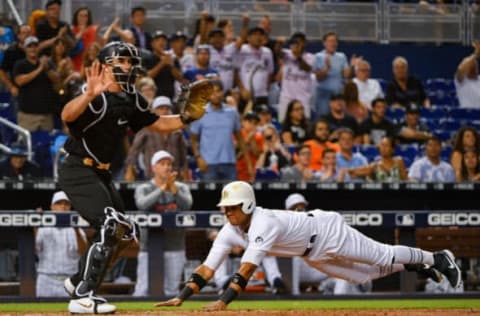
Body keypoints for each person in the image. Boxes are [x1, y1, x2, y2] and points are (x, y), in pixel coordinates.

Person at [58, 41, 208, 314]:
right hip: (77, 167)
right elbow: (67, 116)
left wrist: (187, 117)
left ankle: (78, 281)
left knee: (125, 232)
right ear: (104, 66)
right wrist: (89, 95)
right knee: (110, 223)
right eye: (122, 61)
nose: (128, 67)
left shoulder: (132, 99)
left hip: (101, 171)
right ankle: (82, 296)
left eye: (130, 62)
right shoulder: (95, 95)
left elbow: (159, 124)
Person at [155, 181, 461, 311]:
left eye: (232, 207)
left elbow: (247, 268)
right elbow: (208, 268)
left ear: (247, 205)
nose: (227, 212)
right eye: (226, 208)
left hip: (326, 231)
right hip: (311, 253)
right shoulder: (230, 230)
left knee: (381, 254)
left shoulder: (264, 222)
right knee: (362, 277)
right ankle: (417, 266)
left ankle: (436, 258)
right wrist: (181, 297)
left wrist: (224, 301)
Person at [133, 150, 192, 297]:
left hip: (175, 245)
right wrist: (162, 189)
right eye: (162, 164)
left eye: (169, 164)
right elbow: (142, 204)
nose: (167, 167)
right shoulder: (144, 188)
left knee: (172, 290)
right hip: (149, 247)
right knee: (143, 289)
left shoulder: (181, 187)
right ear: (154, 168)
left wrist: (174, 190)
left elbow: (187, 205)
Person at [190, 80, 250, 181]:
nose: (216, 95)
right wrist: (198, 158)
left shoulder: (232, 112)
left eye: (218, 91)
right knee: (210, 197)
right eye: (212, 92)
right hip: (208, 165)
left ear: (223, 92)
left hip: (229, 163)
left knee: (231, 196)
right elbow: (193, 139)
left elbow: (240, 140)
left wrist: (249, 164)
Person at [124, 96, 189, 181]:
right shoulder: (146, 129)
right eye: (161, 108)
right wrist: (129, 169)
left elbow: (183, 155)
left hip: (174, 176)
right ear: (154, 110)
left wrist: (185, 171)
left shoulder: (177, 131)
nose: (164, 111)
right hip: (152, 176)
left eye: (167, 108)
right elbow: (134, 151)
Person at [36, 191, 87, 297]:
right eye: (59, 203)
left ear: (70, 207)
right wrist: (36, 224)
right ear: (52, 207)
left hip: (70, 280)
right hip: (46, 279)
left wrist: (76, 229)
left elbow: (83, 252)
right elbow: (35, 249)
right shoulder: (43, 228)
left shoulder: (77, 229)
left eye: (66, 204)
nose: (63, 207)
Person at [13, 35, 60, 131]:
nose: (33, 49)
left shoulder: (47, 63)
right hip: (27, 116)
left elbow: (57, 80)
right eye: (29, 46)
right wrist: (40, 69)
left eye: (35, 46)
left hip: (46, 115)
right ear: (25, 49)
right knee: (27, 144)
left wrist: (46, 69)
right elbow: (20, 81)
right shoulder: (20, 64)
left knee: (47, 143)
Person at [313, 32, 352, 118]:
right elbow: (317, 78)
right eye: (330, 41)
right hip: (323, 94)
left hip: (338, 94)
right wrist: (327, 68)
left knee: (340, 118)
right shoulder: (318, 56)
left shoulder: (342, 56)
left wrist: (352, 66)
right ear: (324, 43)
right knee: (323, 119)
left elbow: (346, 76)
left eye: (335, 41)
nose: (333, 44)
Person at [277, 32, 315, 122]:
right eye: (295, 42)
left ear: (304, 43)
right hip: (286, 97)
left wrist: (298, 56)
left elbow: (306, 68)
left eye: (299, 42)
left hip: (303, 98)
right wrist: (279, 44)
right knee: (282, 122)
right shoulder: (287, 54)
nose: (297, 45)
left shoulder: (310, 57)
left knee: (305, 123)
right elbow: (277, 52)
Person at [71, 6, 98, 72]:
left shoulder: (92, 30)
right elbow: (70, 46)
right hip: (74, 65)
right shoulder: (71, 29)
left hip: (89, 65)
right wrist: (81, 33)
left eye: (85, 16)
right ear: (76, 17)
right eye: (81, 16)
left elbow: (96, 48)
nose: (83, 18)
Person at [454, 41, 480, 109]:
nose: (474, 65)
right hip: (466, 116)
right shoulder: (461, 81)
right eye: (471, 65)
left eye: (475, 64)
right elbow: (461, 69)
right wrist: (476, 54)